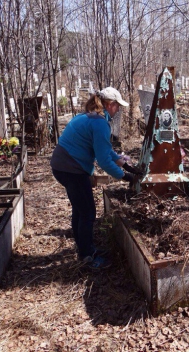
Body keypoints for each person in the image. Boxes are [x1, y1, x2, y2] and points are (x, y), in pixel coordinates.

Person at [51, 87, 141, 269]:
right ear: (110, 104)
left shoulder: (89, 117)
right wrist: (125, 177)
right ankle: (87, 256)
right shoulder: (100, 123)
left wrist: (125, 165)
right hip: (71, 169)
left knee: (80, 210)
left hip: (63, 166)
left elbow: (106, 150)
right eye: (117, 106)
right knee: (87, 212)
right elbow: (103, 160)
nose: (118, 110)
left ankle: (85, 249)